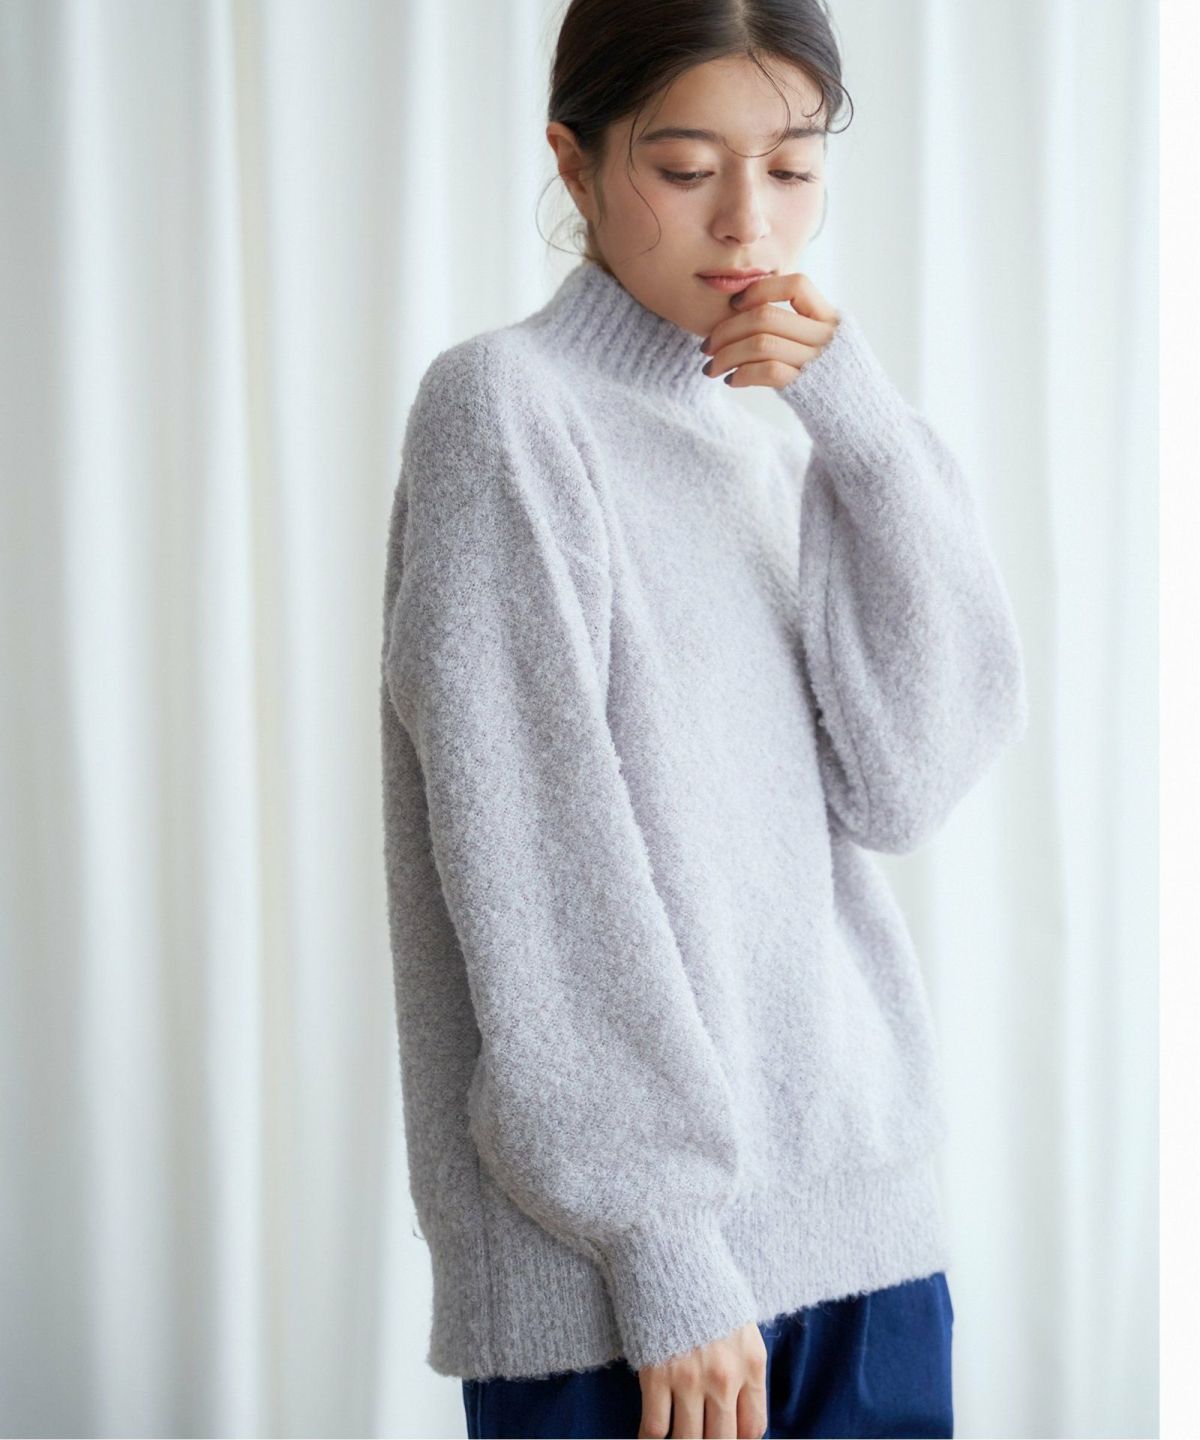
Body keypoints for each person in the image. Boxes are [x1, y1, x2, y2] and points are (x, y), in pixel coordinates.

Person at [378, 2, 1026, 1436]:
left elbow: (911, 781)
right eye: (684, 168)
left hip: (867, 1242)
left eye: (792, 168)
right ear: (574, 161)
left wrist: (856, 421)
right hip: (635, 1292)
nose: (749, 223)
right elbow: (533, 861)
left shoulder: (773, 446)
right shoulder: (506, 411)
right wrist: (661, 1244)